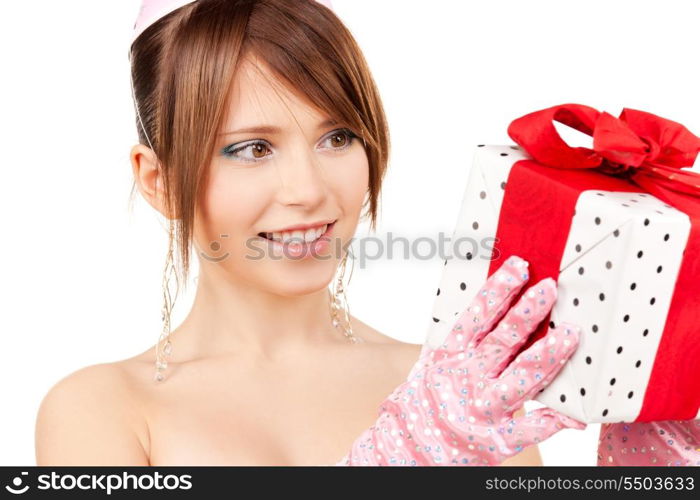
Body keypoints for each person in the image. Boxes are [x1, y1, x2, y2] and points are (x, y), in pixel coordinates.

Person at [34, 0, 584, 466]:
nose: (308, 189)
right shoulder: (101, 409)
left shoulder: (452, 393)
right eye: (252, 148)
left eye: (338, 137)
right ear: (161, 182)